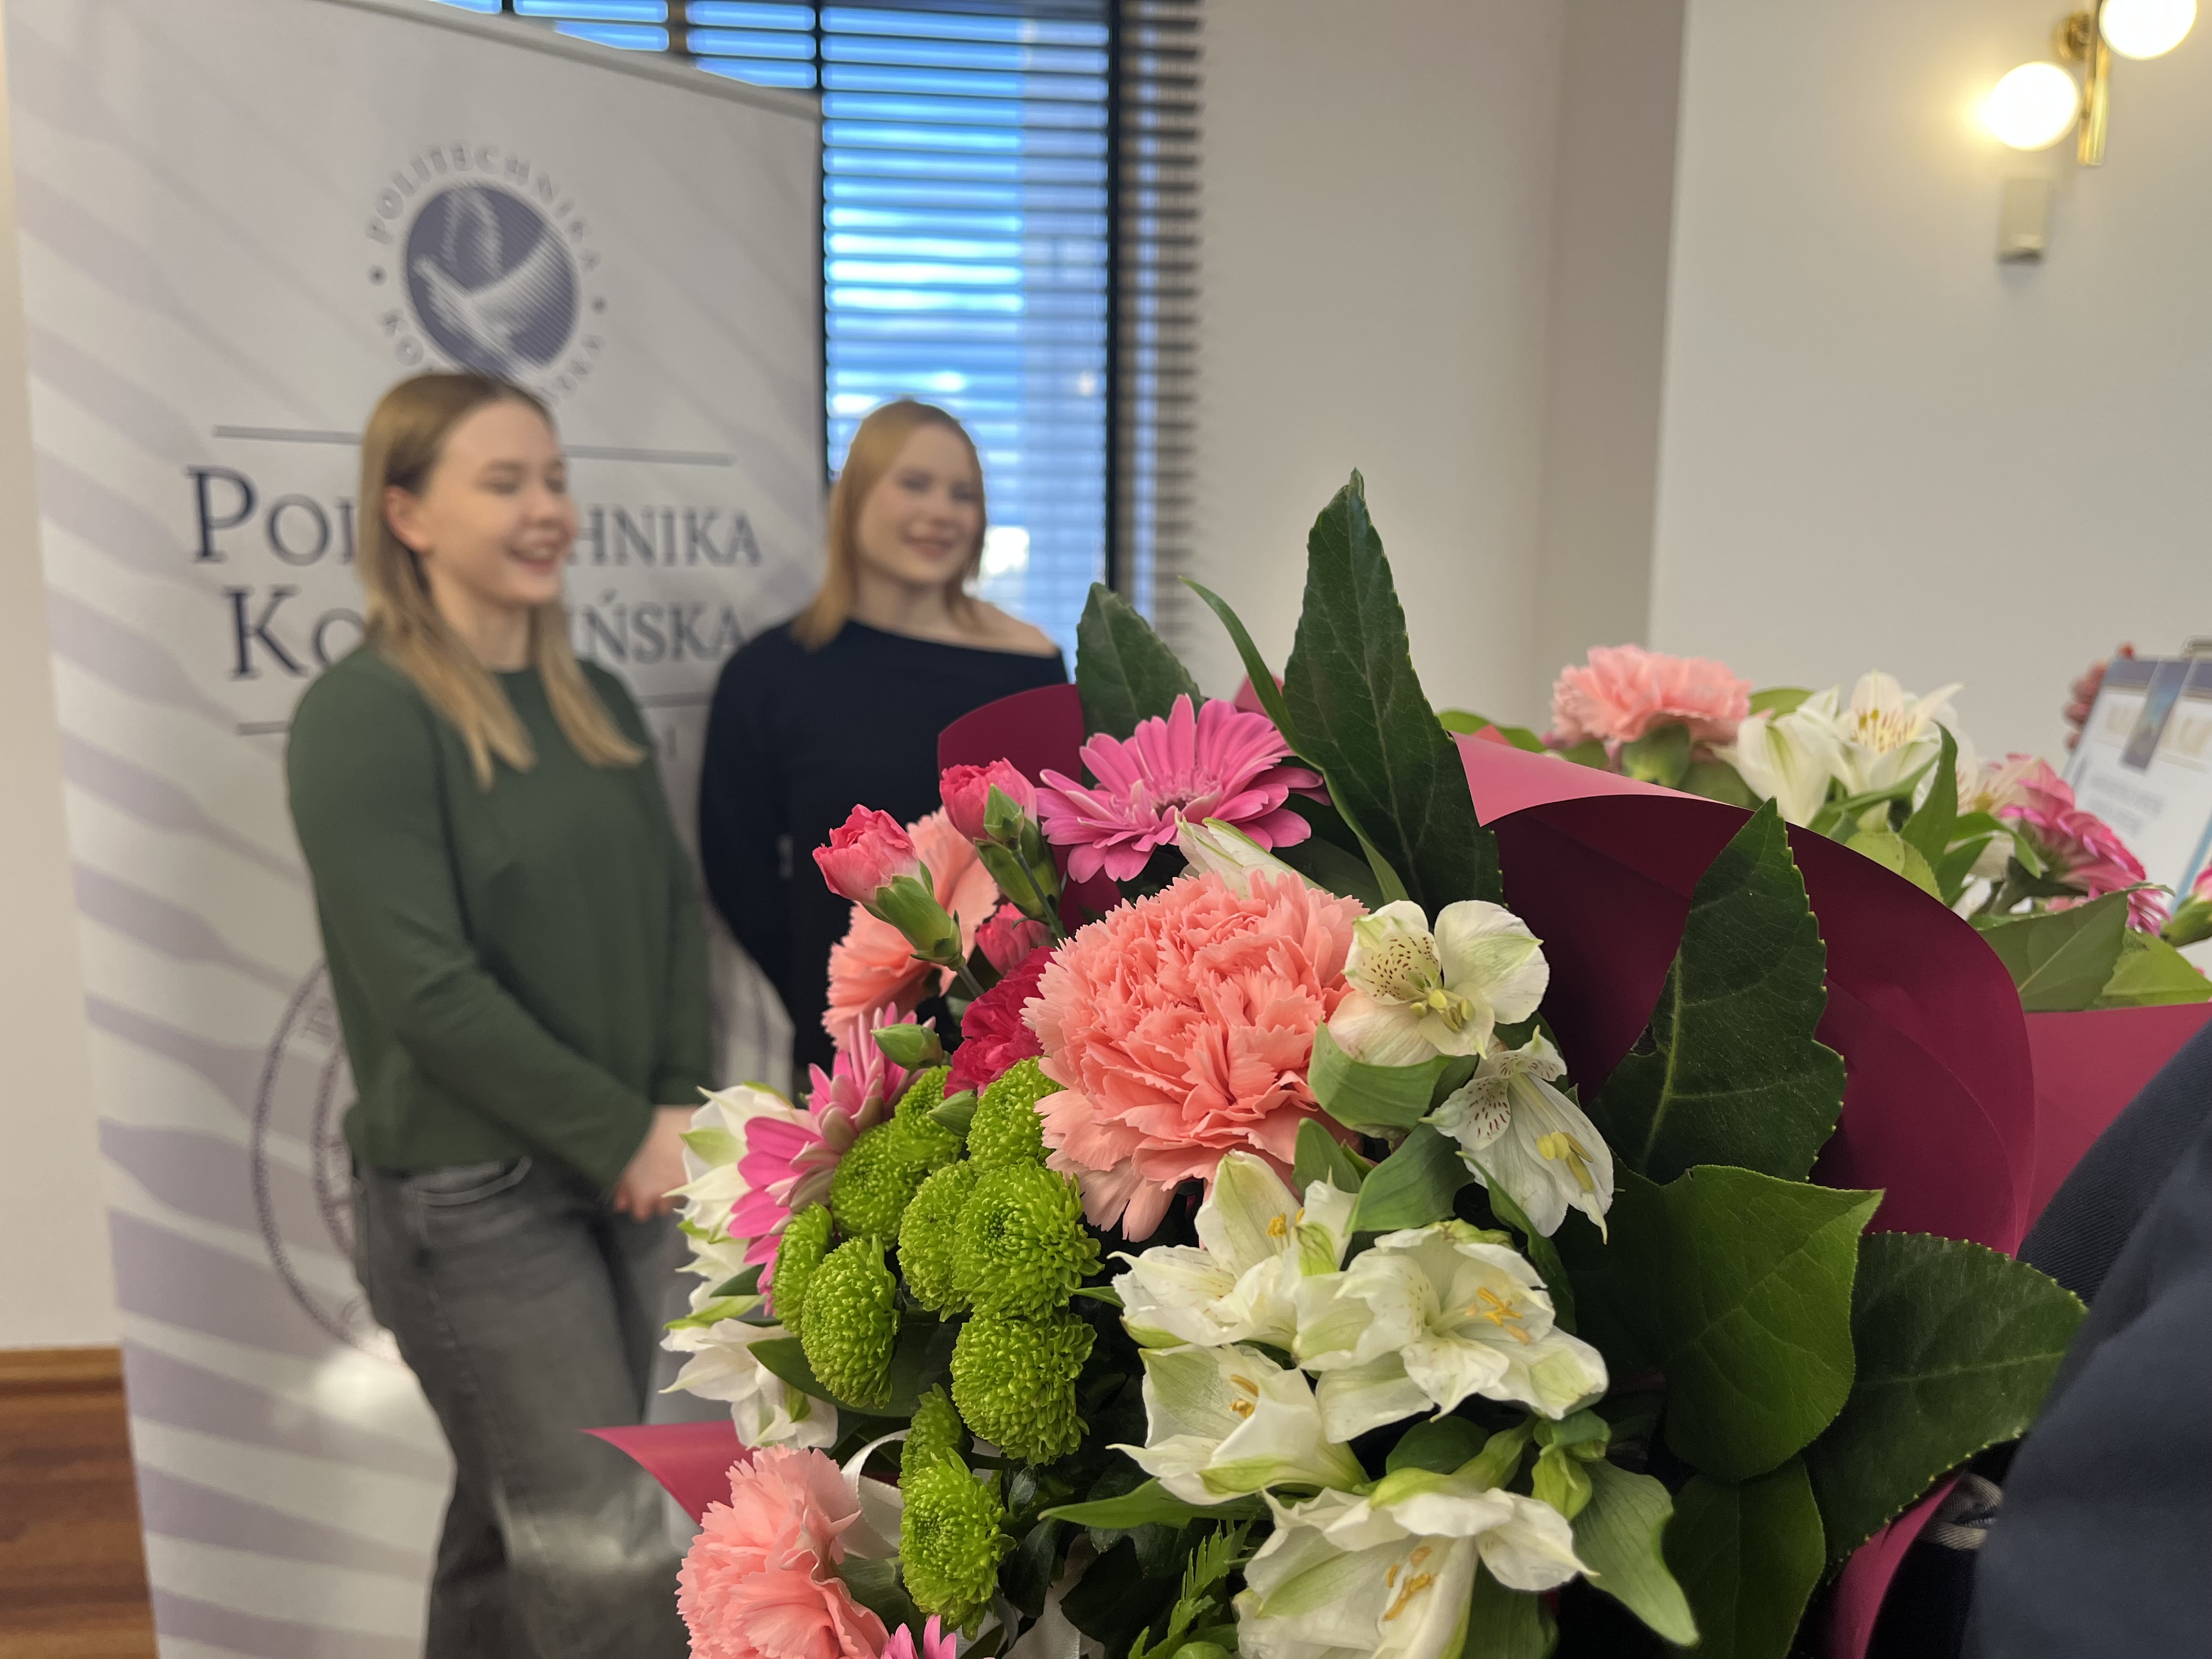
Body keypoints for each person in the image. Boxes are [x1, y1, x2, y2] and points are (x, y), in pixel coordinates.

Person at [286, 373, 709, 1658]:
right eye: (505, 483)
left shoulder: (597, 701)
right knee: (607, 1555)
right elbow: (426, 990)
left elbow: (670, 913)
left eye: (556, 480)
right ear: (408, 514)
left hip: (629, 1177)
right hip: (473, 1201)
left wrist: (674, 1109)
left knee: (512, 1518)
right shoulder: (363, 715)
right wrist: (619, 1129)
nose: (547, 510)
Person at [700, 399, 1065, 1077]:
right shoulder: (768, 675)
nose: (942, 512)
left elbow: (1057, 854)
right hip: (856, 1050)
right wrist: (830, 994)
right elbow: (738, 873)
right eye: (915, 484)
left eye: (963, 494)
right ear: (854, 497)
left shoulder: (1029, 663)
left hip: (1018, 1042)